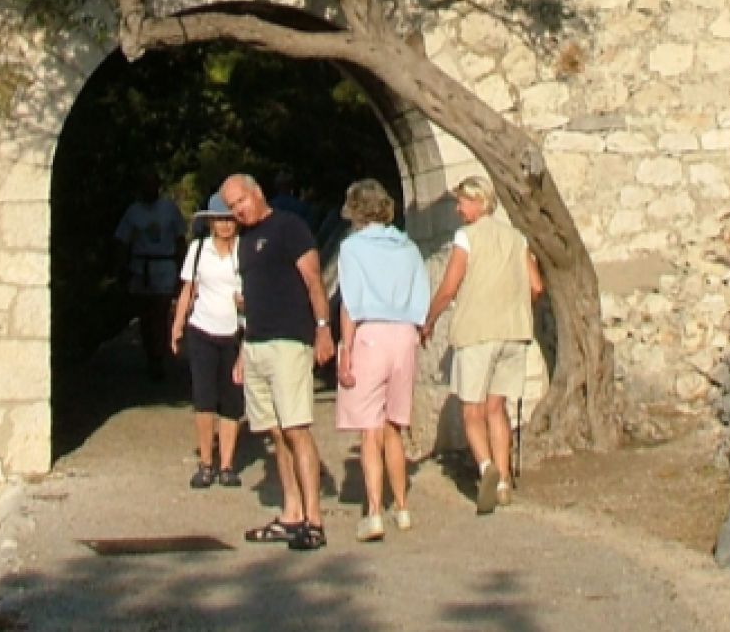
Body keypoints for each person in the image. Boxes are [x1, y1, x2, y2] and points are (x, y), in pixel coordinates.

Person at [221, 171, 336, 552]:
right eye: (231, 207)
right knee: (273, 432)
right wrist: (243, 350)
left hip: (289, 341)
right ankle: (291, 513)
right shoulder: (244, 240)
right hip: (257, 343)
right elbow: (252, 300)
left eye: (241, 202)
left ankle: (314, 520)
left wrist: (322, 329)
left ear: (257, 193)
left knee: (296, 429)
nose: (238, 211)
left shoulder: (290, 227)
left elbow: (314, 281)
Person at [421, 174, 543, 515]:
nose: (459, 209)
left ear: (478, 202)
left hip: (477, 332)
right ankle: (504, 481)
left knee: (471, 409)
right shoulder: (516, 238)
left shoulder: (467, 237)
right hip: (513, 333)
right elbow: (536, 286)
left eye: (462, 202)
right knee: (497, 408)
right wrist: (516, 309)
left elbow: (448, 288)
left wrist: (428, 320)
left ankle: (486, 466)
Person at [334, 178, 430, 542]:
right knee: (395, 426)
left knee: (369, 430)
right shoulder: (408, 246)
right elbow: (421, 292)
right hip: (404, 332)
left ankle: (374, 510)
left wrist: (346, 352)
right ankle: (402, 506)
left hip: (370, 333)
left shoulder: (352, 248)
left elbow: (351, 302)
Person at [170, 192, 246, 488]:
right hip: (202, 328)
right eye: (219, 220)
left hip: (235, 332)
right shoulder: (198, 250)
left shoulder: (245, 251)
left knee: (231, 400)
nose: (225, 226)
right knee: (204, 399)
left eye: (229, 220)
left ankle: (226, 464)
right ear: (210, 222)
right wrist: (177, 325)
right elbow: (188, 289)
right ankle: (206, 462)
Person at [113, 170, 186, 380]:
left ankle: (159, 358)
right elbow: (122, 241)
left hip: (164, 266)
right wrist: (121, 269)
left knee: (160, 314)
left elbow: (180, 239)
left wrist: (183, 269)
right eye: (145, 185)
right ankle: (150, 355)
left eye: (152, 184)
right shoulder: (133, 212)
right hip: (141, 266)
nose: (149, 189)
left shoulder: (169, 210)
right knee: (145, 317)